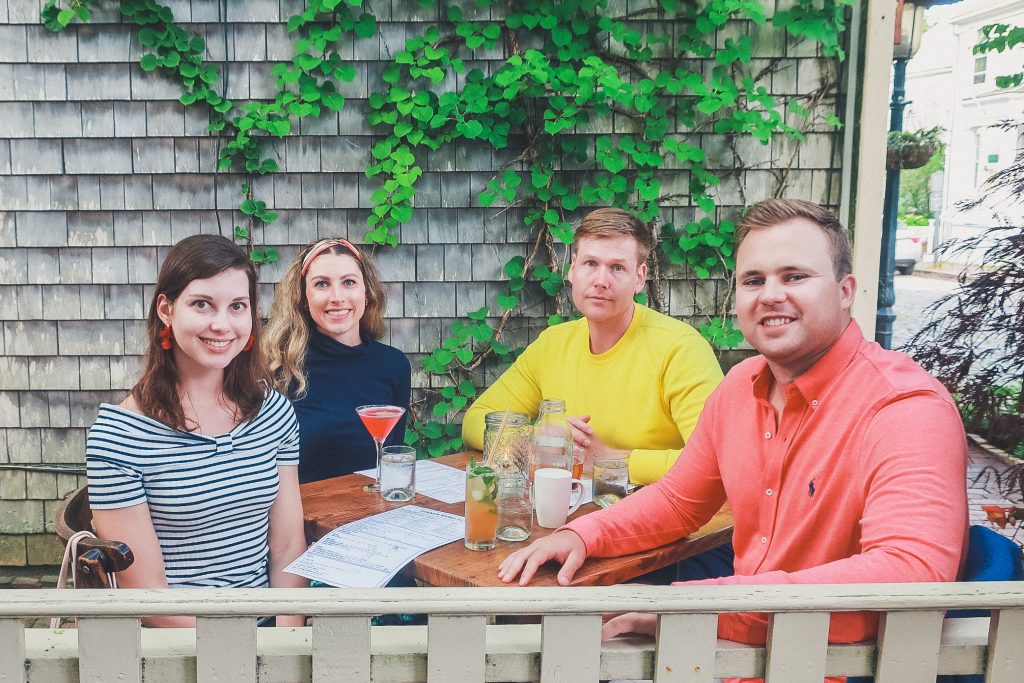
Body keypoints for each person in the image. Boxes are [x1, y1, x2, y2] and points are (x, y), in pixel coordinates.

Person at [498, 198, 968, 648]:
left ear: (845, 292)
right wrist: (581, 534)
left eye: (795, 276)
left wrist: (696, 607)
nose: (772, 295)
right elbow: (678, 501)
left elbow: (912, 573)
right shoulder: (742, 386)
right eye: (753, 280)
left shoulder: (904, 407)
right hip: (740, 652)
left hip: (841, 662)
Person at [86, 235, 308, 627]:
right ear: (167, 309)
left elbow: (288, 546)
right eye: (202, 304)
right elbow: (147, 594)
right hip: (181, 645)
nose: (221, 324)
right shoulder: (119, 436)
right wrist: (239, 656)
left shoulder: (273, 412)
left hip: (270, 635)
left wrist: (285, 643)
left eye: (237, 306)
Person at [462, 208, 723, 485]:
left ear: (640, 277)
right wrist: (537, 440)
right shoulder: (553, 344)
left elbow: (717, 461)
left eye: (617, 267)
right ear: (572, 269)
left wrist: (608, 460)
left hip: (660, 513)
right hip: (574, 508)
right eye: (590, 264)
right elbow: (476, 421)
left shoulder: (680, 349)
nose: (600, 280)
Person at [264, 238, 411, 484]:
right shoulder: (278, 365)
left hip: (373, 516)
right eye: (322, 284)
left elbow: (390, 458)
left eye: (349, 282)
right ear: (303, 298)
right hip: (298, 517)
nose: (337, 297)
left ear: (367, 293)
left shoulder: (394, 366)